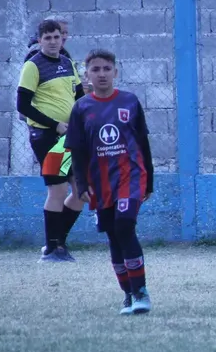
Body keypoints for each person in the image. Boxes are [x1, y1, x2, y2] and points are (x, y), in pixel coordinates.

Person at [66, 49, 154, 315]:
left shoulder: (129, 101)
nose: (102, 74)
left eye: (107, 69)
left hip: (131, 177)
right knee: (114, 236)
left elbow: (143, 143)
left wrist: (150, 181)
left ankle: (141, 292)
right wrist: (81, 185)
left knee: (125, 225)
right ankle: (128, 294)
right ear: (87, 75)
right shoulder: (81, 108)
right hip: (100, 182)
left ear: (115, 72)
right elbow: (77, 152)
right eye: (96, 69)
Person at [16, 19, 86, 262]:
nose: (54, 41)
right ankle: (52, 249)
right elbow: (22, 105)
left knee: (80, 191)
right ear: (39, 40)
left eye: (57, 37)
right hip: (47, 137)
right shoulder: (33, 66)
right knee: (57, 189)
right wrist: (55, 124)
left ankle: (57, 244)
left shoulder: (67, 63)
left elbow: (80, 97)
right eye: (48, 38)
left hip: (70, 136)